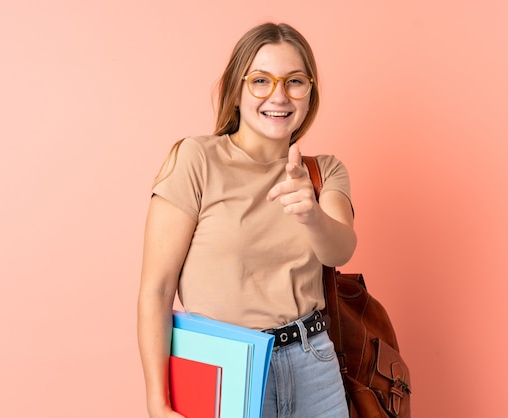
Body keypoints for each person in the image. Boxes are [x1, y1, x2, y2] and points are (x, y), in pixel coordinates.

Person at [137, 22, 356, 418]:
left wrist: (311, 215)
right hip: (227, 368)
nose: (279, 95)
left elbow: (341, 249)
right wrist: (158, 401)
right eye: (260, 80)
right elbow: (157, 289)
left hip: (314, 364)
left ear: (310, 93)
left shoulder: (324, 171)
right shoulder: (195, 160)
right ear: (236, 91)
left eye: (294, 81)